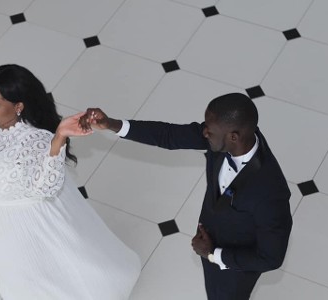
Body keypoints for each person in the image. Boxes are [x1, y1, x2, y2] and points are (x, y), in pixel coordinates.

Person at [0, 64, 141, 300]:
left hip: (23, 222)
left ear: (18, 107)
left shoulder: (34, 141)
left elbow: (47, 187)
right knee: (13, 273)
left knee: (47, 267)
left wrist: (59, 137)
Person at [80, 93, 292, 300]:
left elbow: (271, 258)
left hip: (234, 264)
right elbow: (168, 135)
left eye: (209, 129)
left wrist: (213, 254)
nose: (204, 132)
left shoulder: (270, 193)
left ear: (233, 137)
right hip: (209, 238)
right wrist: (111, 124)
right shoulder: (225, 137)